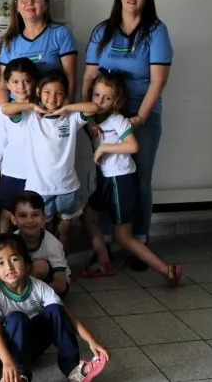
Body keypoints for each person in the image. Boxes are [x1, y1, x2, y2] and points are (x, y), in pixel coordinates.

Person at [82, 0, 173, 267]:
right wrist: (88, 115)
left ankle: (140, 238)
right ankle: (111, 238)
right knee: (107, 177)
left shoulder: (156, 31)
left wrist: (139, 118)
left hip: (138, 115)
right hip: (105, 116)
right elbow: (89, 76)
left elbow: (158, 81)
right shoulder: (102, 31)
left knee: (140, 178)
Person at [78, 71, 182, 286]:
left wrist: (104, 148)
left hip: (120, 182)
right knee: (86, 217)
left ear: (116, 100)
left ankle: (166, 270)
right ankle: (104, 261)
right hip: (107, 181)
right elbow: (79, 113)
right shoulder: (93, 118)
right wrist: (90, 124)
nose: (100, 102)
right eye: (96, 95)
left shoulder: (118, 120)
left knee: (123, 237)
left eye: (107, 98)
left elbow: (133, 146)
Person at [0, 233, 108, 382]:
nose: (9, 267)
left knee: (55, 309)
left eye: (14, 259)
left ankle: (72, 368)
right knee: (17, 318)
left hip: (31, 346)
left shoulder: (38, 286)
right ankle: (20, 376)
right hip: (5, 351)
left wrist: (92, 341)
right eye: (0, 263)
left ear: (27, 263)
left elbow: (68, 315)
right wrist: (7, 362)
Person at [0, 70, 99, 249]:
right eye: (47, 92)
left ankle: (61, 264)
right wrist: (32, 106)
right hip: (39, 188)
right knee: (40, 229)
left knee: (64, 228)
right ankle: (43, 262)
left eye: (59, 93)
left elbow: (94, 108)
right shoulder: (31, 117)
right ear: (38, 92)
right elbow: (5, 109)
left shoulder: (72, 118)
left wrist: (68, 108)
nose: (52, 98)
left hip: (67, 187)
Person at [0, 0, 77, 106]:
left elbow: (70, 80)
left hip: (50, 109)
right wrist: (7, 115)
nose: (30, 2)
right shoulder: (10, 42)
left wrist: (60, 113)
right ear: (16, 5)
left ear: (46, 4)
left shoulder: (60, 34)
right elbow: (2, 86)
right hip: (19, 111)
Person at [0, 57, 38, 232]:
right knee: (6, 212)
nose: (21, 87)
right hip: (11, 172)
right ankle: (4, 246)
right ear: (7, 84)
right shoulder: (5, 110)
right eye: (15, 82)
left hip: (36, 172)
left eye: (27, 81)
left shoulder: (41, 109)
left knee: (34, 212)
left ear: (34, 82)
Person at [9, 191, 70, 296]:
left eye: (35, 214)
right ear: (14, 219)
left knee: (40, 267)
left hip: (51, 286)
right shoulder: (10, 242)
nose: (30, 220)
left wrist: (31, 294)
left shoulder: (53, 244)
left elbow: (61, 284)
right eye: (23, 216)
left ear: (43, 218)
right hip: (23, 283)